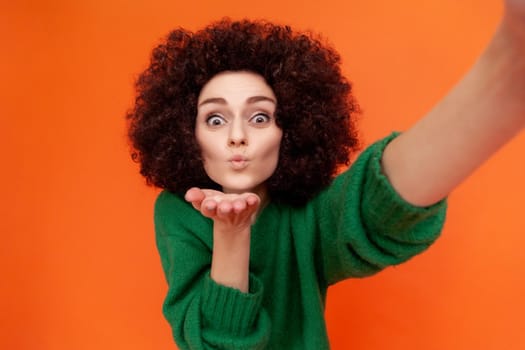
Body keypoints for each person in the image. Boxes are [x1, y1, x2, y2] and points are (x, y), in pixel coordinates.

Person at [126, 1, 525, 348]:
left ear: (290, 129)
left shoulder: (306, 214)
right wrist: (231, 234)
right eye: (215, 118)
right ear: (187, 134)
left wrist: (501, 81)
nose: (236, 137)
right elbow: (215, 344)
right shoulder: (178, 212)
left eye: (260, 116)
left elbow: (375, 207)